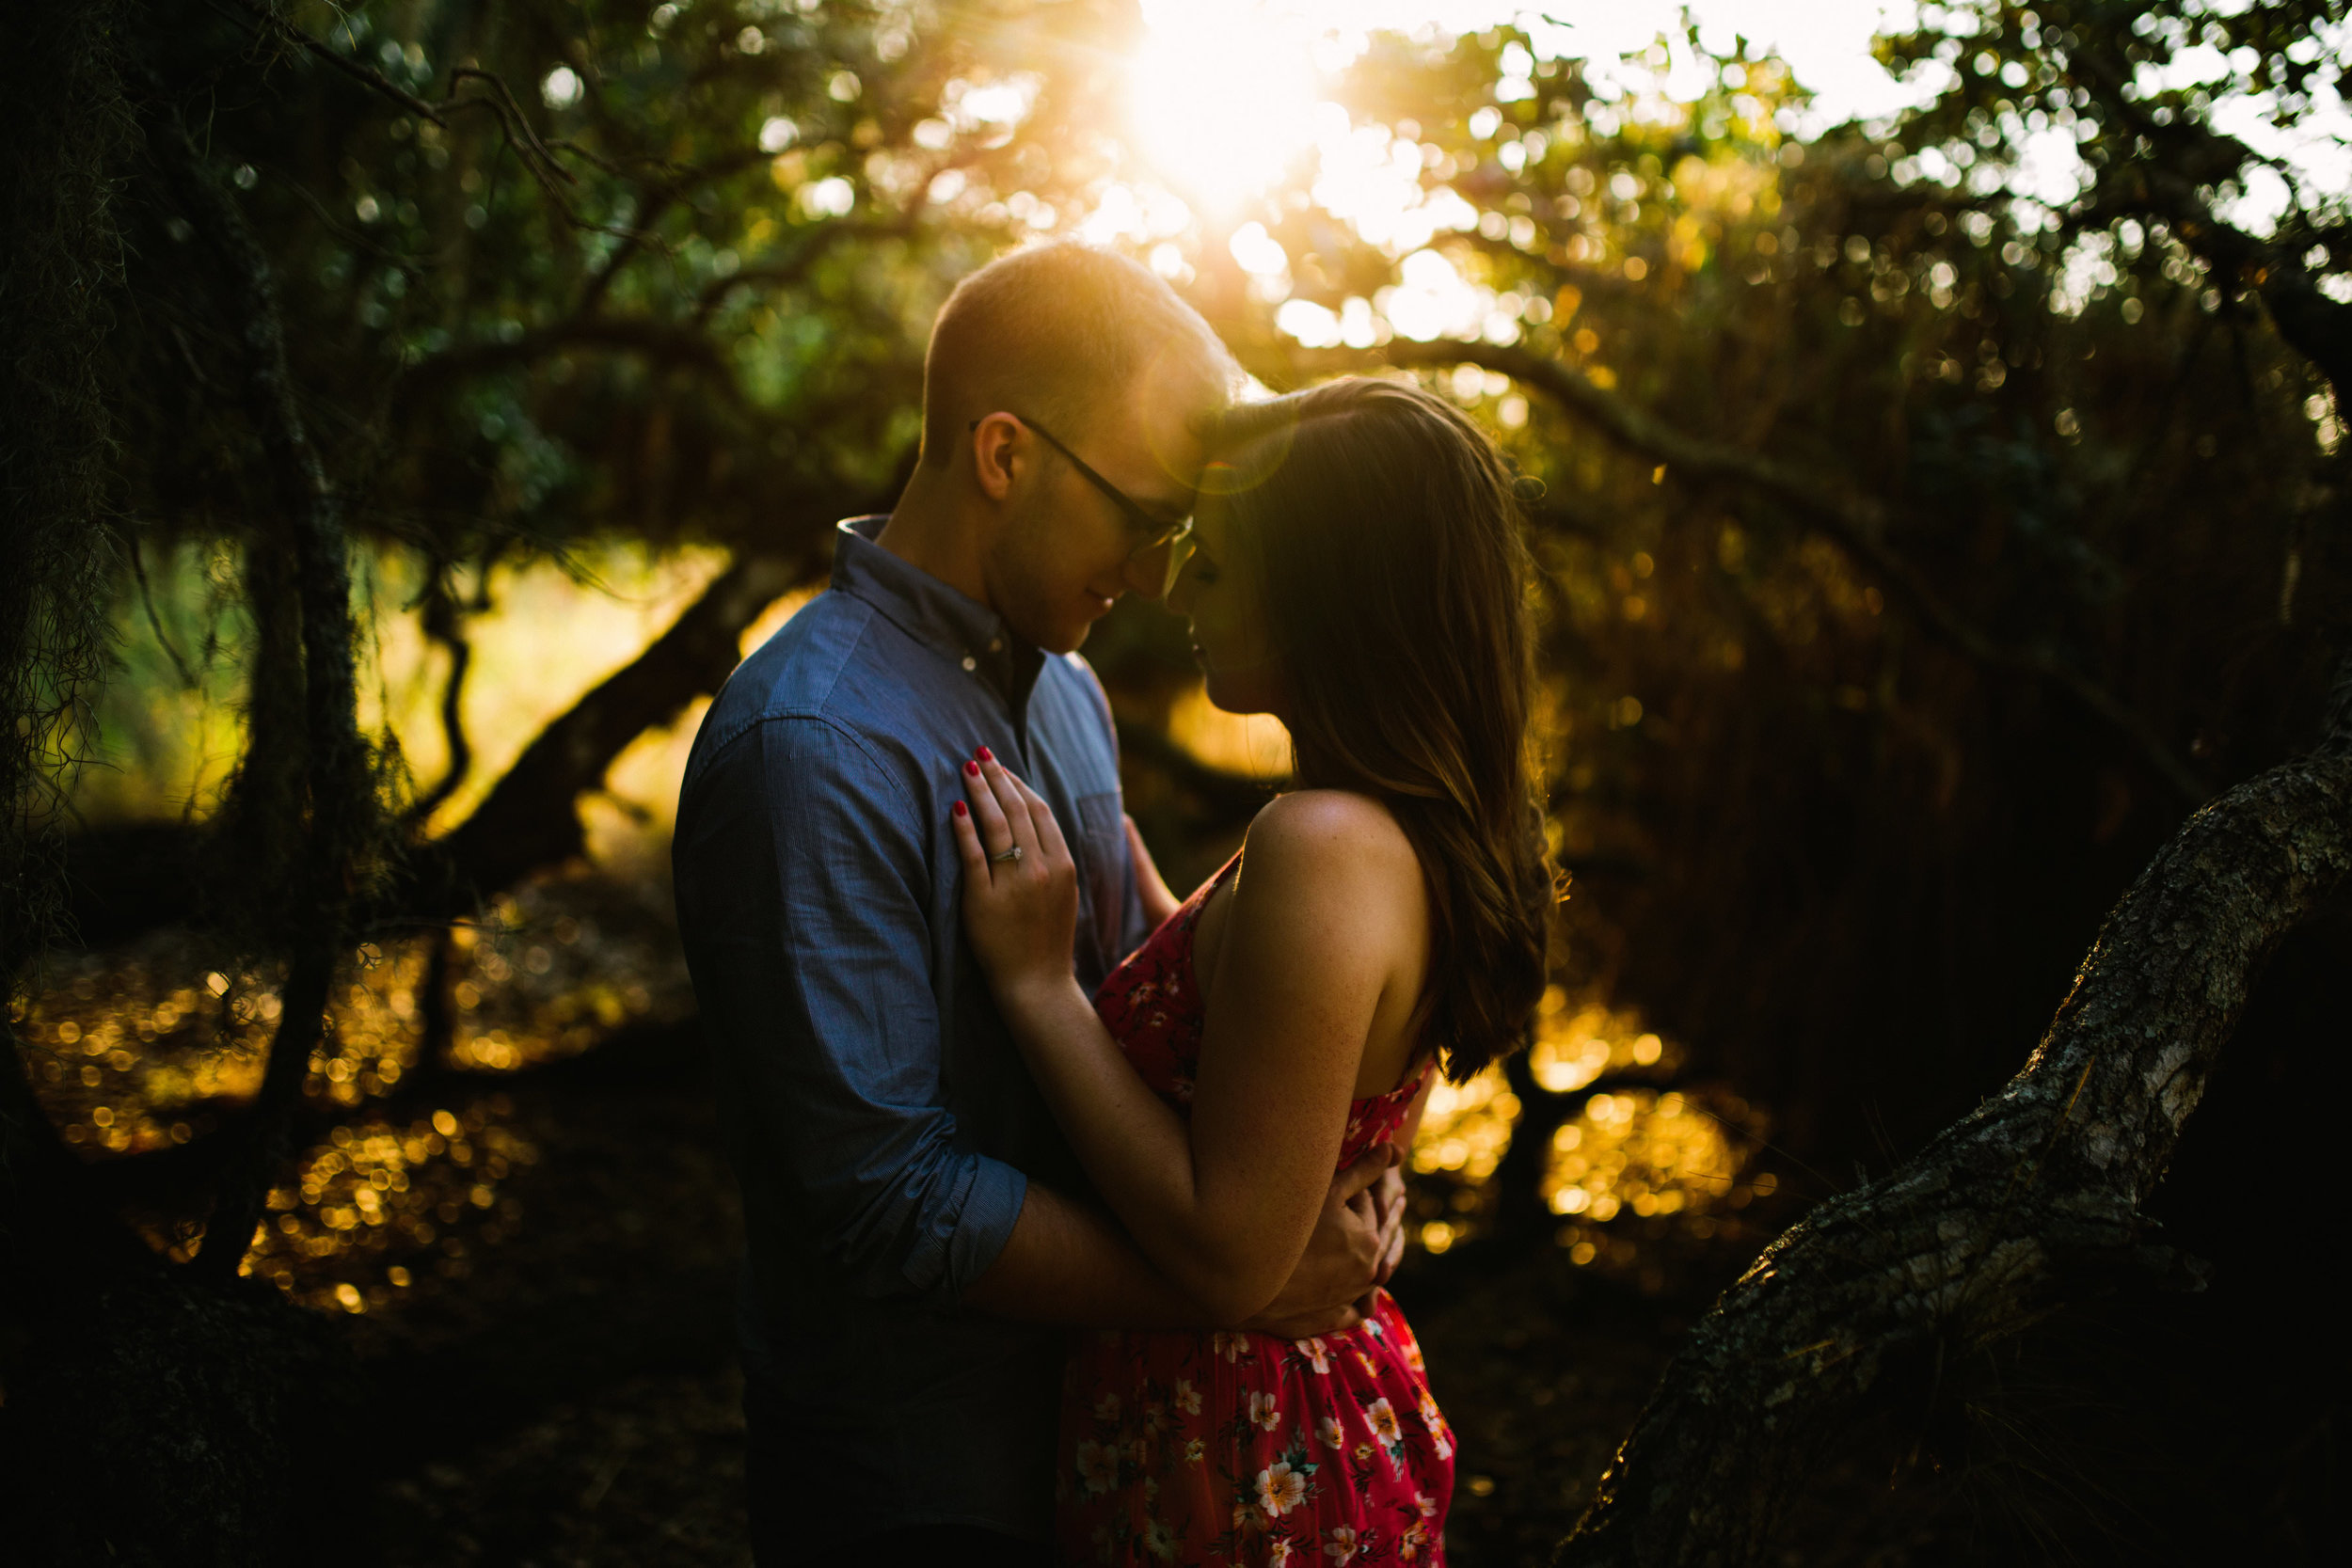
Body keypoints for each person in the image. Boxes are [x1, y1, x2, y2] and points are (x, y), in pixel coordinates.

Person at [671, 245, 1409, 1568]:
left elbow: (1152, 1014)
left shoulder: (1065, 691)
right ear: (1004, 455)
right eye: (1143, 510)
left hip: (1114, 1455)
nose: (1158, 568)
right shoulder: (812, 743)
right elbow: (886, 1198)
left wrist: (1326, 1162)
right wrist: (1235, 1284)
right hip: (918, 1486)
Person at [948, 377, 1555, 1566]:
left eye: (1216, 564)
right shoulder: (1395, 829)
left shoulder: (1321, 844)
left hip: (1238, 1468)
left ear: (1327, 599)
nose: (1175, 587)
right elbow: (1285, 1050)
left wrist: (1038, 984)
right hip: (1272, 1434)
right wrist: (1164, 921)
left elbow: (1231, 1254)